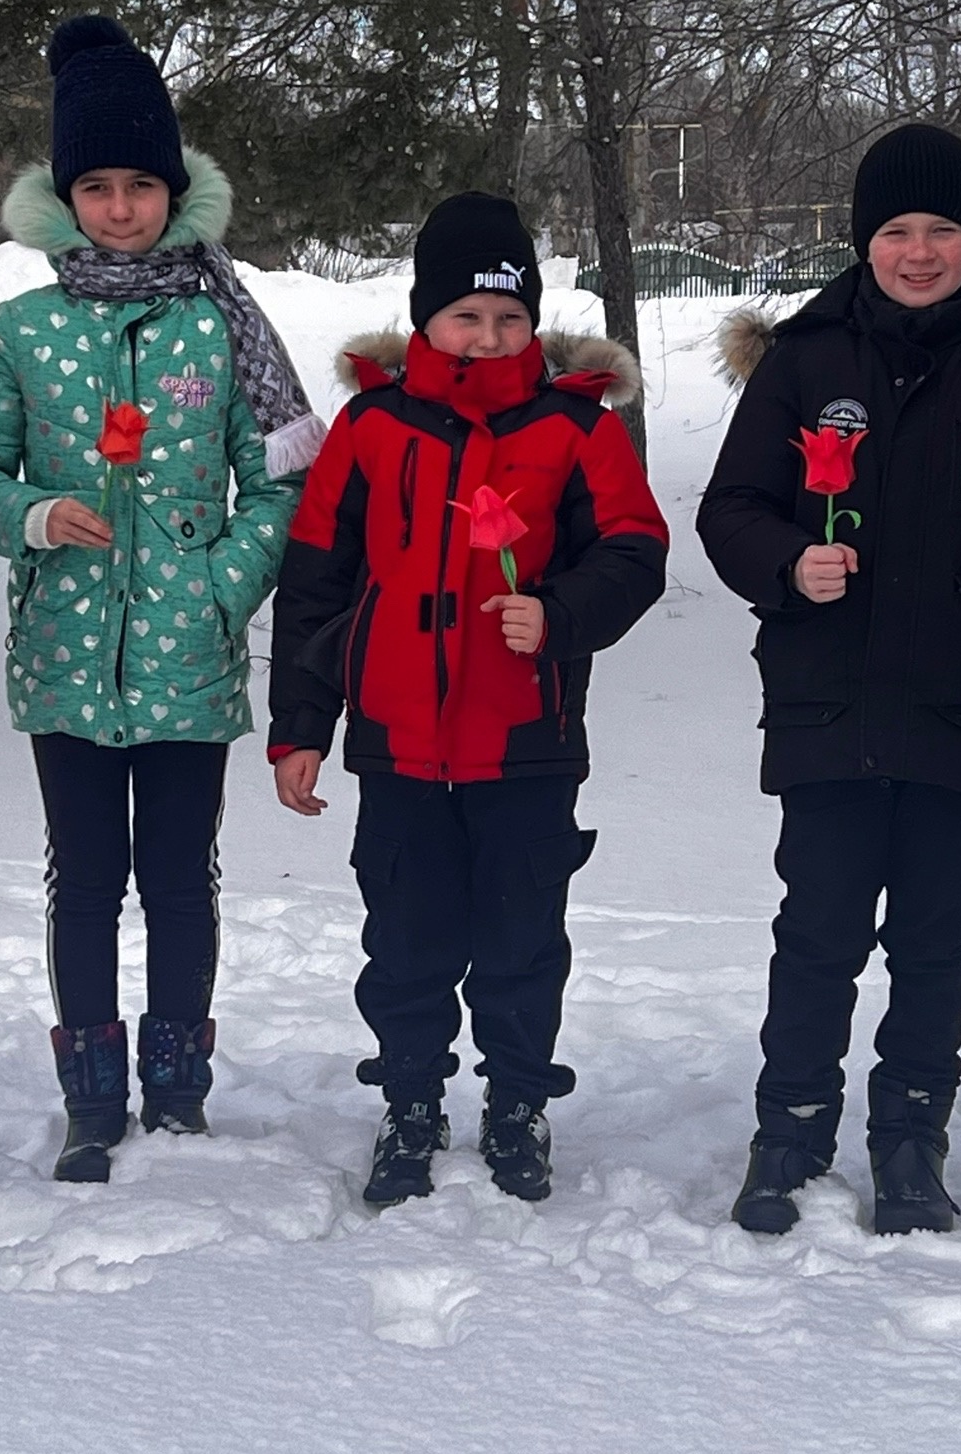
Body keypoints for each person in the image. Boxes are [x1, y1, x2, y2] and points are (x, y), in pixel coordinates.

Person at [698, 123, 961, 1237]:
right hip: (826, 700)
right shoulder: (804, 360)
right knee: (819, 930)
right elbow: (729, 508)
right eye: (896, 231)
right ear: (861, 239)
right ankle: (786, 1131)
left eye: (942, 231)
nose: (919, 252)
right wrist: (789, 562)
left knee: (936, 938)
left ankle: (909, 1139)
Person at [0, 16, 315, 1182]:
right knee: (85, 876)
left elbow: (283, 479)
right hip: (65, 657)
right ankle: (91, 1092)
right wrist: (36, 518)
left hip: (189, 661)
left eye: (139, 185)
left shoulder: (219, 321)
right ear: (64, 198)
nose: (119, 208)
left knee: (179, 876)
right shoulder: (22, 329)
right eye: (96, 187)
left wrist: (219, 582)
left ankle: (178, 1084)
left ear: (174, 191)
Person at [268, 193, 669, 1205]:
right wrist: (300, 730)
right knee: (406, 939)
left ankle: (518, 1102)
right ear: (423, 321)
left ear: (531, 320)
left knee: (520, 937)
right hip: (398, 742)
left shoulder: (577, 428)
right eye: (465, 318)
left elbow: (633, 550)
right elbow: (316, 580)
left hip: (523, 742)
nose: (487, 338)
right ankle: (410, 1098)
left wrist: (560, 612)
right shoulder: (370, 428)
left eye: (507, 318)